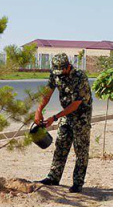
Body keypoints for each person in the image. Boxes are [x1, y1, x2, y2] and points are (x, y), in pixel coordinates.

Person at [35, 53, 93, 193]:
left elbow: (76, 104)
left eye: (61, 72)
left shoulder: (80, 77)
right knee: (61, 144)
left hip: (81, 116)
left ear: (68, 67)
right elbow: (47, 92)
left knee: (81, 149)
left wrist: (54, 118)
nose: (59, 75)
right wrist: (39, 110)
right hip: (66, 115)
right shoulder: (56, 73)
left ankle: (78, 183)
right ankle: (53, 177)